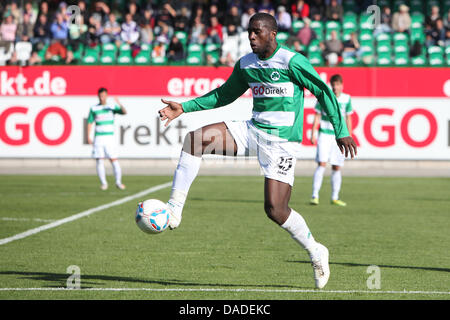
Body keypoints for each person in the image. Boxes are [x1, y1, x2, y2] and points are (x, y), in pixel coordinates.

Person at [158, 13, 357, 289]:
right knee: (194, 140)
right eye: (249, 31)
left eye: (257, 31)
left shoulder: (292, 61)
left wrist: (341, 129)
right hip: (253, 130)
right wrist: (185, 107)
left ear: (272, 33)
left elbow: (323, 91)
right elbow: (223, 94)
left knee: (275, 209)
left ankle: (315, 250)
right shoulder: (246, 64)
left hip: (282, 142)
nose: (251, 36)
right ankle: (174, 209)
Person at [310, 74, 353, 206]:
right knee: (322, 164)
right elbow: (317, 116)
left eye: (337, 84)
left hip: (339, 136)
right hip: (324, 134)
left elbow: (348, 118)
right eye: (333, 84)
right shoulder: (324, 96)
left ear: (341, 85)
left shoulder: (346, 99)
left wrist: (349, 135)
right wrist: (313, 133)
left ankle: (335, 197)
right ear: (331, 85)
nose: (335, 87)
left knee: (336, 166)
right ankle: (314, 195)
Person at [87, 88, 127, 191]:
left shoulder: (112, 107)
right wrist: (88, 136)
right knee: (99, 160)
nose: (102, 97)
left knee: (113, 159)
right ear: (98, 96)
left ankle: (118, 182)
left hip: (109, 138)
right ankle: (104, 183)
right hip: (98, 138)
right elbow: (90, 122)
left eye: (104, 95)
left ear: (106, 96)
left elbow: (124, 112)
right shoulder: (94, 108)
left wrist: (119, 103)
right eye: (100, 96)